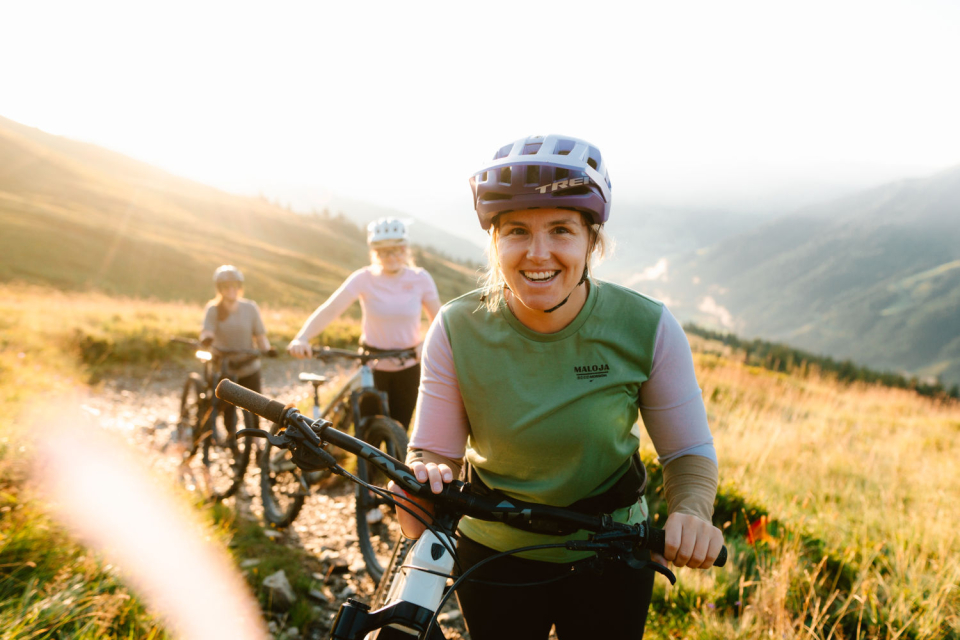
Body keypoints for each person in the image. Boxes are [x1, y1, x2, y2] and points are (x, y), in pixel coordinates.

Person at [396, 134, 725, 639]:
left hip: (612, 552)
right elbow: (433, 454)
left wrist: (691, 511)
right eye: (516, 231)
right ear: (495, 243)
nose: (538, 253)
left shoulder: (647, 326)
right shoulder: (457, 328)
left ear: (592, 241)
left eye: (560, 230)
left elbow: (687, 451)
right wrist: (424, 479)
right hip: (492, 555)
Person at [287, 217, 441, 432]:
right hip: (371, 366)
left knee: (400, 430)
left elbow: (439, 320)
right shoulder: (363, 278)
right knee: (367, 431)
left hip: (408, 366)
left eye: (397, 250)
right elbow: (331, 309)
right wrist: (302, 337)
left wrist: (425, 344)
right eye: (384, 251)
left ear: (406, 249)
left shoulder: (421, 278)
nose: (391, 256)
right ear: (374, 253)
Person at [199, 265, 274, 442]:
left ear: (240, 287)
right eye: (226, 286)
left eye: (235, 285)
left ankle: (256, 442)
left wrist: (267, 349)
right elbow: (207, 331)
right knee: (227, 407)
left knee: (256, 405)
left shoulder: (250, 308)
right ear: (220, 288)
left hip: (249, 366)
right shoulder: (213, 309)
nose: (231, 289)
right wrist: (207, 339)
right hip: (224, 366)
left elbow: (260, 336)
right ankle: (231, 438)